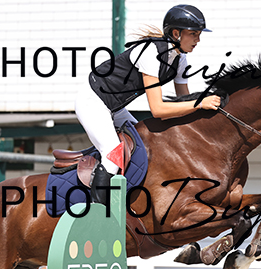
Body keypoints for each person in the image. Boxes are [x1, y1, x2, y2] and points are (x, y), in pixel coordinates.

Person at [75, 4, 221, 205]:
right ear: (176, 33)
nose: (198, 40)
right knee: (112, 154)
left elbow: (184, 101)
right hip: (92, 101)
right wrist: (200, 103)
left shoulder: (180, 60)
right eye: (193, 34)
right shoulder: (151, 53)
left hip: (115, 108)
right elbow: (158, 109)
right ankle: (97, 213)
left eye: (199, 35)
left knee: (145, 146)